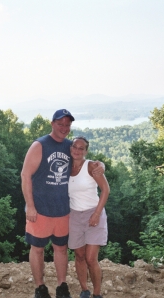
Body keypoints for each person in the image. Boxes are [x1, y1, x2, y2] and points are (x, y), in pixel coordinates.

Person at [21, 109, 105, 298]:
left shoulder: (70, 147)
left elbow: (85, 161)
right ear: (52, 124)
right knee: (38, 249)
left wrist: (101, 166)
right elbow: (25, 175)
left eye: (67, 125)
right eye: (60, 124)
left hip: (63, 210)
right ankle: (40, 288)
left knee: (60, 249)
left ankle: (62, 286)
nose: (64, 128)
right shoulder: (39, 145)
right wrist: (31, 206)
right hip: (40, 209)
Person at [68, 136, 109, 298]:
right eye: (74, 147)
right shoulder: (65, 167)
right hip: (74, 216)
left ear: (86, 151)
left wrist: (97, 214)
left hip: (94, 213)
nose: (77, 150)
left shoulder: (91, 166)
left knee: (91, 258)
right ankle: (84, 289)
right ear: (70, 148)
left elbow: (106, 190)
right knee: (79, 255)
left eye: (81, 148)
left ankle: (97, 293)